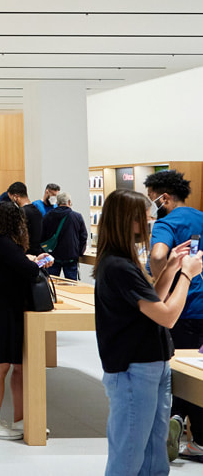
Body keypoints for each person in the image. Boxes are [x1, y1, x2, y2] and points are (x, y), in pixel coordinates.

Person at [95, 189, 201, 473]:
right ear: (127, 220)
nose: (150, 223)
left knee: (155, 450)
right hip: (134, 368)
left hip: (150, 364)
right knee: (129, 452)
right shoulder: (118, 266)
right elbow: (166, 316)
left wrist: (170, 267)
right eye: (144, 218)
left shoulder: (123, 262)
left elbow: (152, 299)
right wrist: (187, 275)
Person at [144, 169, 203, 458]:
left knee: (179, 371)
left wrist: (162, 282)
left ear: (163, 197)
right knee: (199, 370)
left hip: (182, 307)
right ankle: (194, 435)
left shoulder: (166, 222)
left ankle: (179, 421)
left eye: (151, 198)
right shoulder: (201, 217)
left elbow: (157, 255)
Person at [0, 201, 46, 440]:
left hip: (0, 310)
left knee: (16, 367)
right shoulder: (5, 243)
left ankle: (20, 420)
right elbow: (29, 271)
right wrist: (37, 263)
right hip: (2, 313)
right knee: (0, 369)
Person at [39, 192, 88, 280]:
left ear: (57, 203)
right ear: (69, 202)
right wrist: (79, 252)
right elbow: (83, 236)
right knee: (72, 286)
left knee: (51, 284)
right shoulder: (77, 216)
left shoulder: (48, 216)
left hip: (52, 257)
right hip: (71, 257)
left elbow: (42, 236)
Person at [6, 181, 44, 256]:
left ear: (16, 197)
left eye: (11, 199)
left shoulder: (21, 212)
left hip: (26, 254)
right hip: (37, 251)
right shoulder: (37, 210)